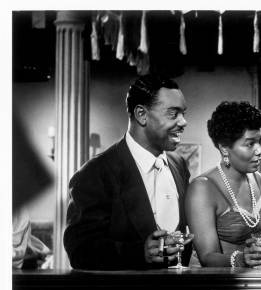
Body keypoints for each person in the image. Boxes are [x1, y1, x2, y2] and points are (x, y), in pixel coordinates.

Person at [64, 74, 191, 270]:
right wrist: (139, 253)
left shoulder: (179, 165)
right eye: (173, 114)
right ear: (141, 114)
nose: (183, 122)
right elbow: (80, 250)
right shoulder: (95, 173)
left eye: (184, 113)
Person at [186, 101, 261, 267]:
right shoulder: (202, 188)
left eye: (260, 141)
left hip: (259, 281)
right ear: (225, 148)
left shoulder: (259, 179)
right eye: (250, 144)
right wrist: (241, 259)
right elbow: (207, 256)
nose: (260, 150)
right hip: (220, 285)